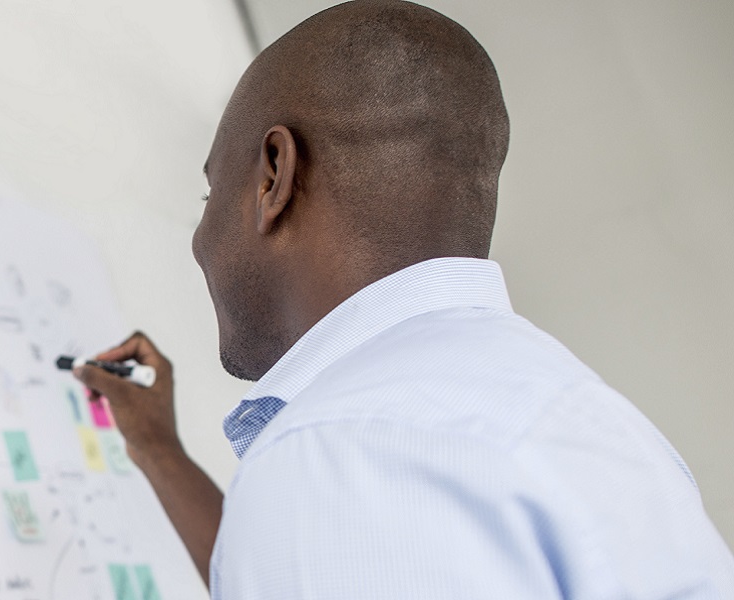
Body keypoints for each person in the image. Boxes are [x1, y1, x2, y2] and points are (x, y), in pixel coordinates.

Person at [73, 1, 734, 597]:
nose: (198, 241)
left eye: (210, 195)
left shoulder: (337, 457)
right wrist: (157, 447)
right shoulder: (584, 419)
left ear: (274, 176)